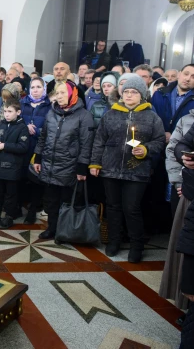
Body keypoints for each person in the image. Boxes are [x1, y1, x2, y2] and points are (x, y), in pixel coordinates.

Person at [90, 76, 165, 262]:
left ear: (142, 95)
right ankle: (114, 242)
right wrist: (95, 163)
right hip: (111, 168)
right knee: (113, 207)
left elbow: (160, 141)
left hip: (137, 170)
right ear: (121, 94)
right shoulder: (111, 114)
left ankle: (136, 246)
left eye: (134, 92)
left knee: (131, 208)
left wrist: (146, 149)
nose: (129, 95)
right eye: (126, 92)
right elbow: (99, 140)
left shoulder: (151, 116)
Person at [34, 80, 94, 240]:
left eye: (62, 93)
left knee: (67, 202)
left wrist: (82, 167)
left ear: (72, 93)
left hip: (70, 166)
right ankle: (52, 229)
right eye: (57, 93)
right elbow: (43, 137)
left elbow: (87, 144)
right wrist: (38, 158)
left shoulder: (84, 116)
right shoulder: (51, 112)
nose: (59, 96)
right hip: (50, 164)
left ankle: (64, 231)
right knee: (51, 202)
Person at [161, 108, 194, 313]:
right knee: (188, 249)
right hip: (190, 191)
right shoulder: (188, 120)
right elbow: (180, 144)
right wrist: (186, 160)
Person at [0, 100, 29, 229]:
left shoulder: (22, 127)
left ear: (18, 112)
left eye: (10, 111)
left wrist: (4, 145)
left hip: (12, 167)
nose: (7, 114)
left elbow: (23, 146)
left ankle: (9, 216)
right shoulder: (0, 124)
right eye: (5, 111)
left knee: (10, 194)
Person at [20, 77, 51, 224]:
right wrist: (25, 127)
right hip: (22, 146)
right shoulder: (23, 103)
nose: (36, 90)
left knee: (35, 180)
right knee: (20, 178)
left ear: (44, 89)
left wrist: (37, 131)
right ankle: (17, 207)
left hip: (39, 148)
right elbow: (15, 121)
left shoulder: (49, 106)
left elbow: (50, 127)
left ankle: (32, 210)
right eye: (33, 87)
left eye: (39, 87)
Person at [151, 64, 194, 142]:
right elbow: (150, 119)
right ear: (179, 74)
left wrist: (175, 136)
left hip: (181, 147)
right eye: (186, 74)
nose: (188, 79)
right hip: (156, 143)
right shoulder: (159, 94)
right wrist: (161, 133)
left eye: (193, 76)